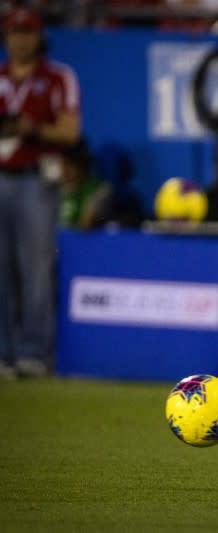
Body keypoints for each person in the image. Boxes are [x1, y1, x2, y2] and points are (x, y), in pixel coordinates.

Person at [0, 7, 81, 378]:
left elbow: (70, 132)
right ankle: (3, 353)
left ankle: (34, 354)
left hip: (36, 178)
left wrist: (34, 129)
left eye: (27, 32)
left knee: (35, 269)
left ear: (39, 35)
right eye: (14, 32)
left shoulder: (57, 77)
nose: (20, 39)